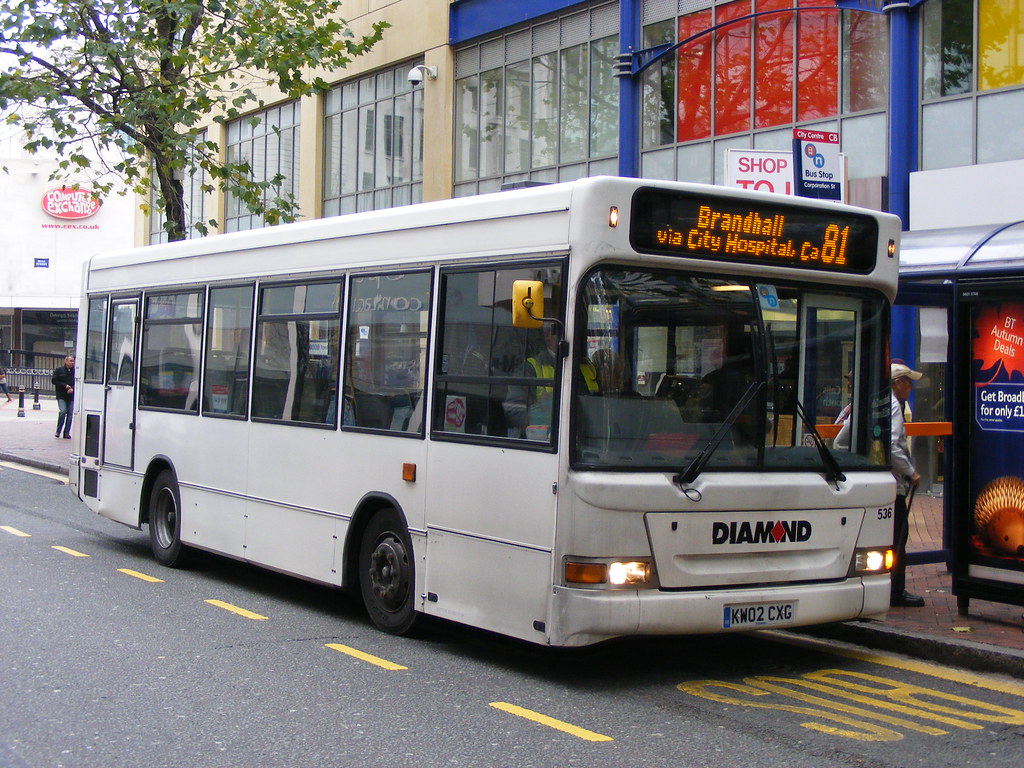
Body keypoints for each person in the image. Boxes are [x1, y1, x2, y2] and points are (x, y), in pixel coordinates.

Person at [890, 361, 925, 608]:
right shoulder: (892, 407)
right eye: (908, 382)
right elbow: (893, 445)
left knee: (894, 536)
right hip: (893, 485)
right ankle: (896, 590)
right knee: (899, 536)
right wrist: (911, 472)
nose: (911, 387)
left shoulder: (879, 403)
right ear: (898, 383)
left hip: (884, 483)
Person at [53, 355, 75, 439]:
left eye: (73, 361)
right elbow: (54, 380)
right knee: (63, 411)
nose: (72, 362)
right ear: (66, 361)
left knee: (70, 414)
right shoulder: (59, 370)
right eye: (70, 361)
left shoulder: (75, 372)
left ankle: (66, 432)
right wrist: (65, 386)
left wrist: (72, 388)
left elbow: (78, 381)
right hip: (61, 395)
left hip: (71, 396)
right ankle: (58, 430)